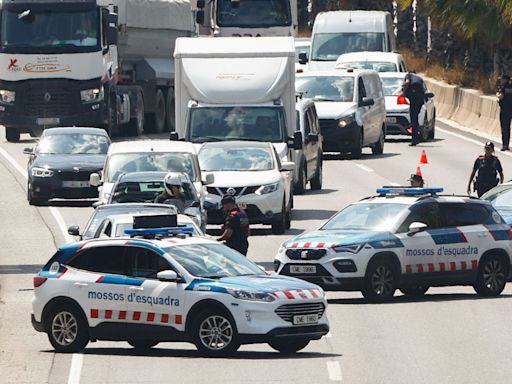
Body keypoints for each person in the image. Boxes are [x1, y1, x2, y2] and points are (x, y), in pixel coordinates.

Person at [402, 71, 426, 146]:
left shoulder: (409, 76)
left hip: (414, 97)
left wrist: (403, 93)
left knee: (413, 118)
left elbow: (406, 83)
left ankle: (414, 139)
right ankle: (416, 136)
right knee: (415, 118)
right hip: (420, 99)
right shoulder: (419, 78)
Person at [496, 74, 512, 151]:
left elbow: (501, 96)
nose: (501, 81)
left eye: (502, 79)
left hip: (505, 110)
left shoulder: (503, 87)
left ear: (505, 80)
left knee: (505, 128)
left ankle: (505, 145)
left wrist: (498, 96)